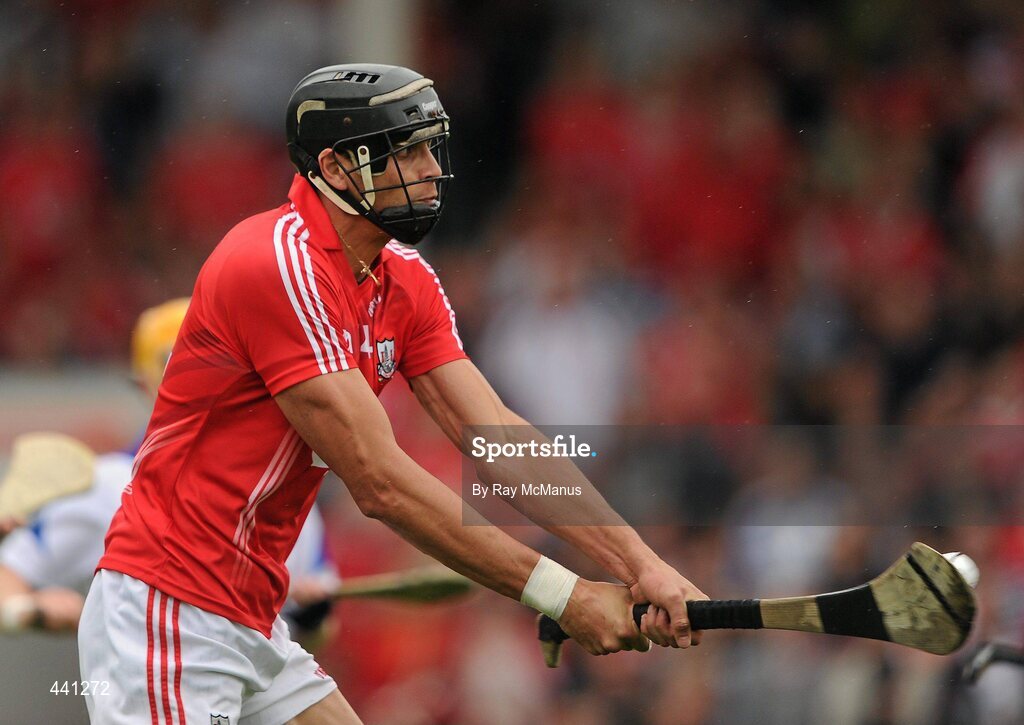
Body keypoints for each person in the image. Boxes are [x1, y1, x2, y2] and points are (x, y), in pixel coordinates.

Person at [80, 63, 708, 725]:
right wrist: (561, 592)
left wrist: (641, 565)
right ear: (337, 167)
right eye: (406, 152)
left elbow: (497, 437)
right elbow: (381, 482)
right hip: (167, 613)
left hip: (249, 617)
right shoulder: (274, 265)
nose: (433, 168)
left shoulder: (401, 278)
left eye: (431, 147)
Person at [0, 299, 340, 640]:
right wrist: (27, 610)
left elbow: (308, 639)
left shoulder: (287, 493)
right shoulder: (105, 484)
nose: (206, 379)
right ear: (143, 385)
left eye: (223, 359)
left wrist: (312, 621)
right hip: (154, 687)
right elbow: (9, 576)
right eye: (178, 362)